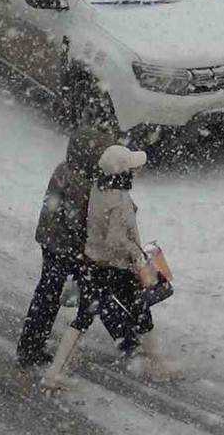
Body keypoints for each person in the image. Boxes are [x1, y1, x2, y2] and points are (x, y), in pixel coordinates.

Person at [41, 144, 177, 390]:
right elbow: (115, 240)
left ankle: (56, 372)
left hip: (95, 264)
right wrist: (137, 253)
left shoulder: (99, 188)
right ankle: (157, 366)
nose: (137, 170)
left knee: (93, 315)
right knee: (135, 309)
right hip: (112, 267)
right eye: (132, 167)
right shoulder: (118, 200)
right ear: (121, 172)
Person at [15, 127, 114, 367]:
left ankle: (31, 344)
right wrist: (89, 244)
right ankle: (31, 347)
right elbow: (75, 219)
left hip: (51, 240)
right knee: (55, 293)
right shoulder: (79, 179)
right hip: (62, 245)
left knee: (48, 292)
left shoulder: (65, 168)